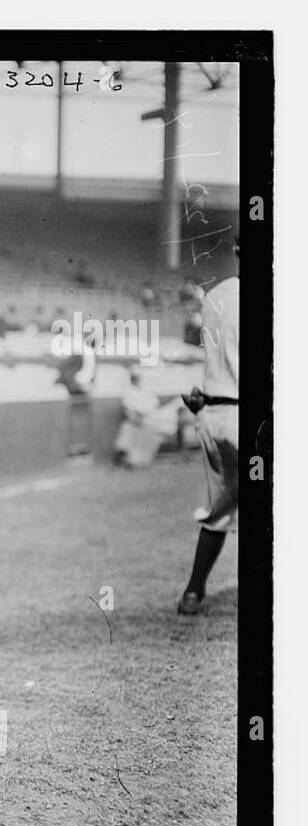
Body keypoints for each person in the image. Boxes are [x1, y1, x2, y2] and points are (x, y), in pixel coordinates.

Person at [177, 232, 239, 615]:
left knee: (222, 507)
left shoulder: (217, 294)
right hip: (245, 414)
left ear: (235, 250)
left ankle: (193, 591)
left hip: (211, 414)